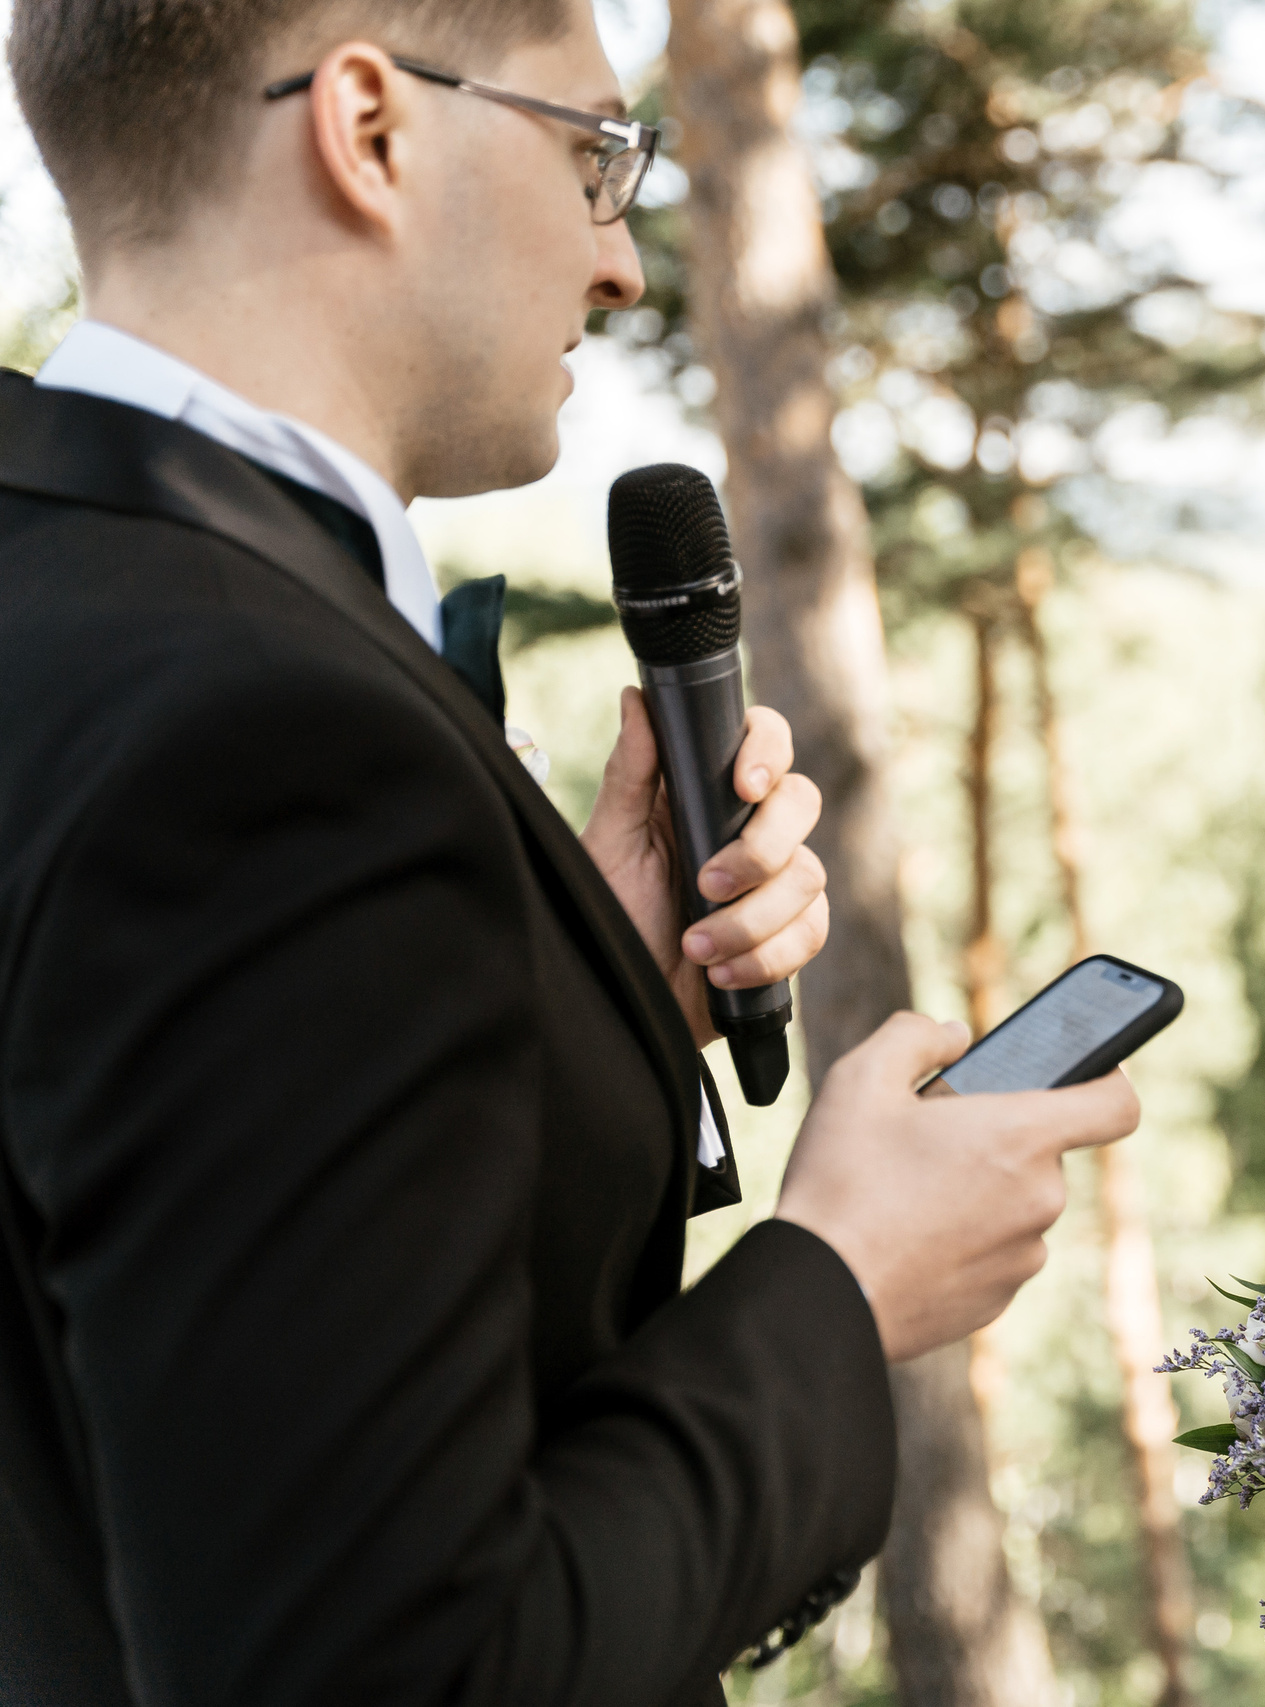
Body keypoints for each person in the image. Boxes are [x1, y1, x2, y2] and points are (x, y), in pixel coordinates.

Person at [0, 4, 1137, 1704]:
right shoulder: (278, 739)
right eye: (597, 152)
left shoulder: (58, 580)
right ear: (370, 128)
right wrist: (842, 1283)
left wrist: (557, 992)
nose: (624, 265)